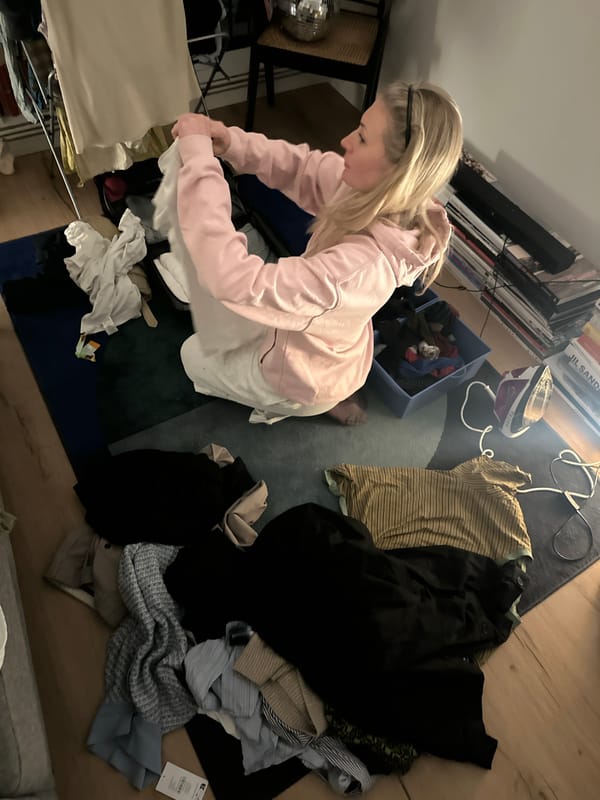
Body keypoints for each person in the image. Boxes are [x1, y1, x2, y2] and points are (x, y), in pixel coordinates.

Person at [169, 80, 463, 425]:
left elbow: (232, 280)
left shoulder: (354, 271)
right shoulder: (385, 195)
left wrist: (199, 165)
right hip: (334, 347)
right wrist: (233, 143)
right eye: (359, 128)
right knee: (247, 319)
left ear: (400, 172)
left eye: (363, 138)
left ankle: (297, 403)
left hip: (297, 372)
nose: (346, 141)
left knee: (191, 355)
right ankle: (330, 393)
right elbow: (303, 168)